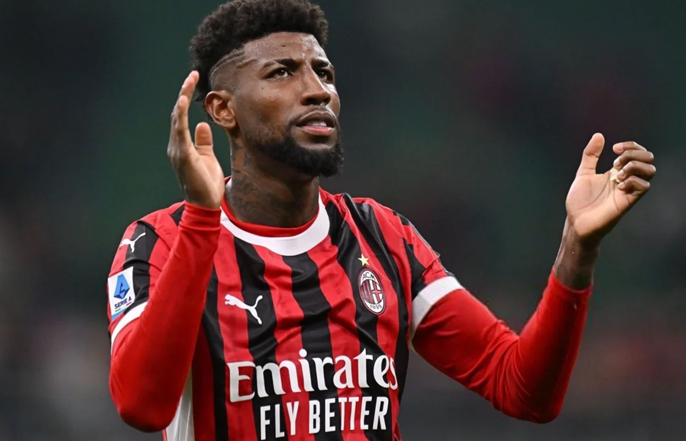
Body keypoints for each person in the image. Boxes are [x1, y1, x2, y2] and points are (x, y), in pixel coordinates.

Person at [105, 0, 657, 440]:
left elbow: (524, 389)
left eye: (324, 72)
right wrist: (203, 219)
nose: (317, 90)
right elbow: (142, 407)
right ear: (223, 109)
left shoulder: (382, 238)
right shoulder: (161, 242)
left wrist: (577, 249)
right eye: (282, 72)